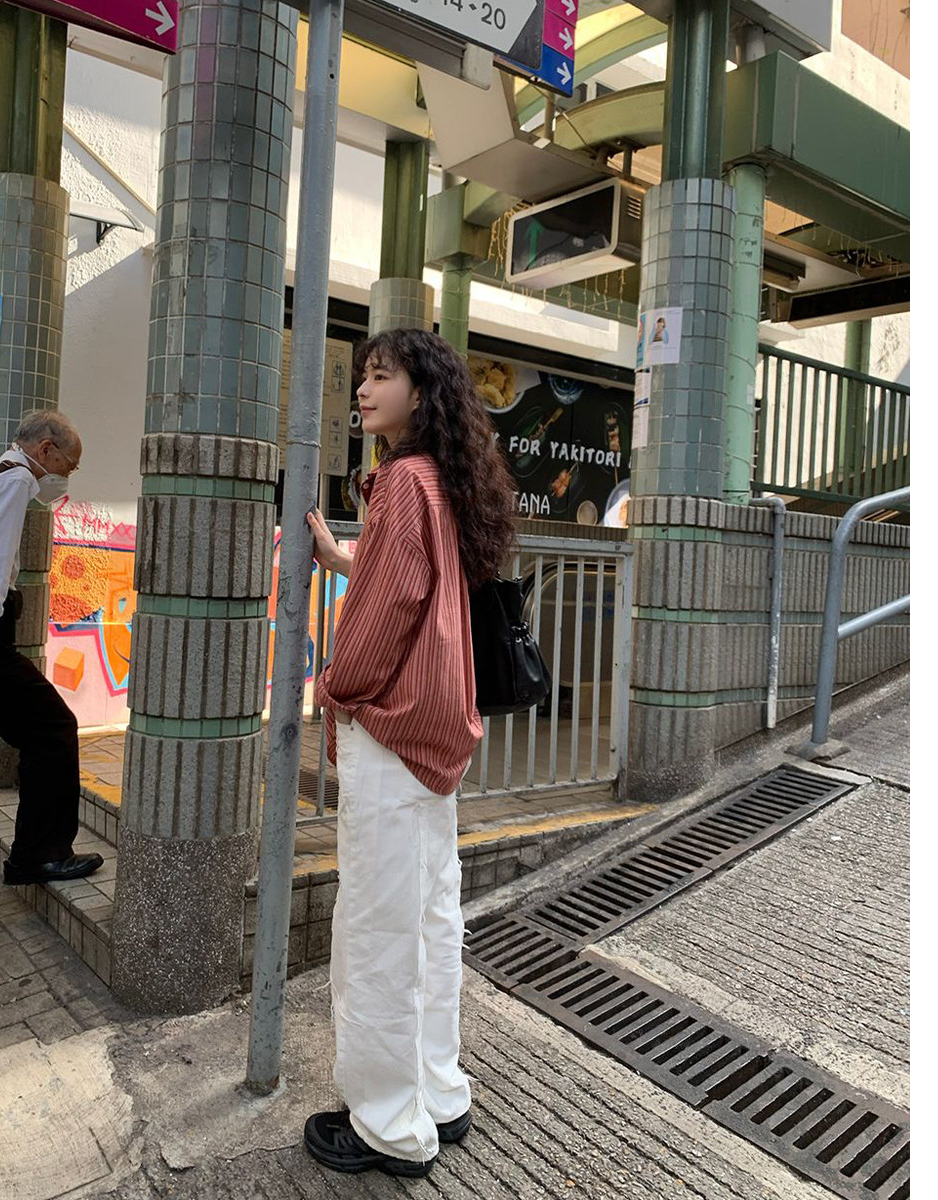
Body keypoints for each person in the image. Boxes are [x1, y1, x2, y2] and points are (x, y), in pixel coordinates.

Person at [303, 328, 517, 1178]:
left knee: (378, 929)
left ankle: (388, 1125)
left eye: (380, 376)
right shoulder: (444, 480)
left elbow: (387, 611)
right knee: (428, 918)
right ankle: (439, 1091)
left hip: (391, 732)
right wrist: (344, 558)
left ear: (420, 393)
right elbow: (415, 582)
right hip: (437, 735)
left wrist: (335, 688)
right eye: (363, 375)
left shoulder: (400, 480)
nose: (364, 388)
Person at [0, 411, 103, 886]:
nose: (66, 477)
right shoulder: (13, 482)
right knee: (52, 728)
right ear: (46, 449)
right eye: (69, 466)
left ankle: (37, 855)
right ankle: (39, 856)